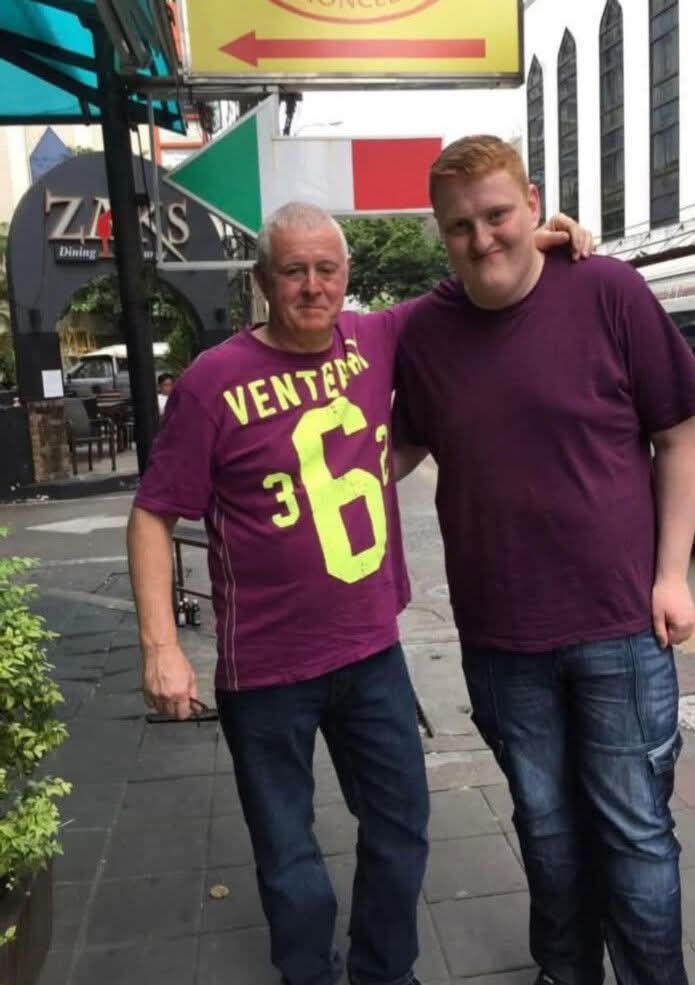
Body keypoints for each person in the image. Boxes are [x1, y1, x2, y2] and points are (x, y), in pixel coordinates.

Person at [127, 201, 590, 985]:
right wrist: (161, 646)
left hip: (372, 650)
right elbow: (151, 514)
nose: (313, 286)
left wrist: (538, 237)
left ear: (346, 274)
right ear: (264, 280)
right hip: (265, 667)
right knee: (287, 849)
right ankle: (308, 973)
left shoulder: (376, 336)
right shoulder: (213, 382)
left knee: (402, 822)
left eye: (327, 269)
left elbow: (468, 279)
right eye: (294, 271)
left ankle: (383, 971)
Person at [393, 135, 695, 985]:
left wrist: (672, 572)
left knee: (633, 831)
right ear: (439, 233)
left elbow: (677, 433)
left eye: (496, 215)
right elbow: (397, 445)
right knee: (547, 831)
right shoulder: (422, 331)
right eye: (460, 226)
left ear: (531, 203)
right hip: (499, 637)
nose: (482, 238)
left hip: (618, 622)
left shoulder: (607, 289)